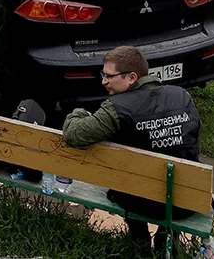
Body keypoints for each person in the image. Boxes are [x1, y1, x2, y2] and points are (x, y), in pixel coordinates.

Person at [63, 46, 201, 256]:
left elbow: (73, 135)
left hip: (138, 202)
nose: (104, 81)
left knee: (130, 181)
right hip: (185, 201)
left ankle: (139, 236)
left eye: (109, 76)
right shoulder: (182, 97)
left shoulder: (117, 108)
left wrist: (79, 112)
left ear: (132, 77)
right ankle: (165, 237)